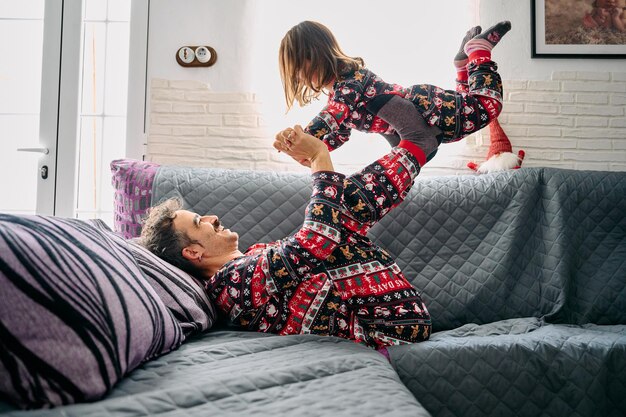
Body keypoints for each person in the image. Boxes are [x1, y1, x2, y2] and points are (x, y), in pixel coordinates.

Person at [141, 124, 432, 349]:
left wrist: (317, 165)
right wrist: (319, 156)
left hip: (387, 316)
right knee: (329, 223)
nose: (212, 218)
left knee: (337, 211)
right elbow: (315, 241)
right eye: (198, 222)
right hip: (385, 328)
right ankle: (415, 147)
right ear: (193, 252)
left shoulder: (251, 260)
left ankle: (413, 150)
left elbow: (318, 238)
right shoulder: (230, 284)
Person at [279, 20, 512, 163]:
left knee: (487, 105)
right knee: (468, 103)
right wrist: (311, 153)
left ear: (315, 55)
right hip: (428, 112)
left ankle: (479, 51)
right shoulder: (340, 95)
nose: (299, 76)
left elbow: (331, 117)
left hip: (429, 109)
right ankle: (463, 66)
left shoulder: (350, 83)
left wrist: (301, 138)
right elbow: (339, 133)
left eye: (300, 67)